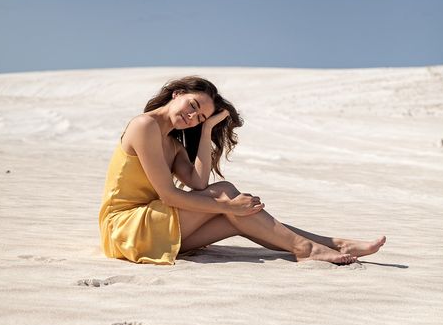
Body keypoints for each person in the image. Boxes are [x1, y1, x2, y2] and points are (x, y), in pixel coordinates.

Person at [99, 76, 386, 266]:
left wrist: (207, 129)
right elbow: (169, 195)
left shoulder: (172, 144)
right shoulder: (144, 125)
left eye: (198, 117)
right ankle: (309, 249)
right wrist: (227, 203)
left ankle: (332, 244)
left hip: (150, 226)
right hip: (125, 227)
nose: (191, 117)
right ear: (177, 93)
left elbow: (198, 182)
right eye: (192, 106)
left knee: (235, 220)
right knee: (226, 194)